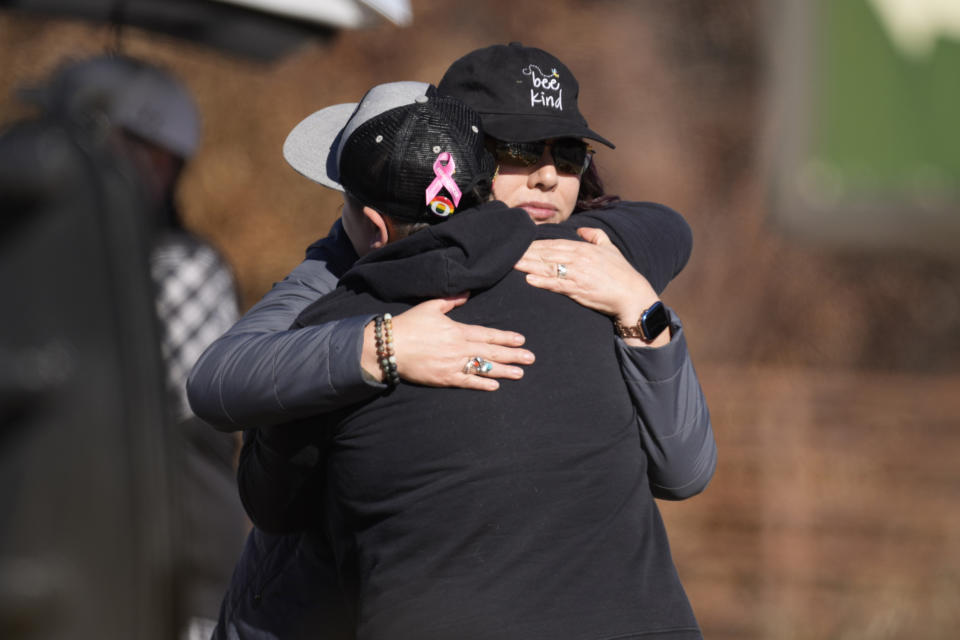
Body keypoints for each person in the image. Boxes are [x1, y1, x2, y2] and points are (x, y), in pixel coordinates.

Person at [201, 45, 714, 638]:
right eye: (518, 151)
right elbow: (221, 378)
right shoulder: (341, 273)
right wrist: (382, 346)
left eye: (570, 154)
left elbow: (685, 465)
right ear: (456, 155)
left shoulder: (590, 269)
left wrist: (639, 308)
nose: (548, 176)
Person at [22, 54, 248, 640]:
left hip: (172, 574)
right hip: (59, 567)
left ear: (156, 160)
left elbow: (155, 411)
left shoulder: (182, 269)